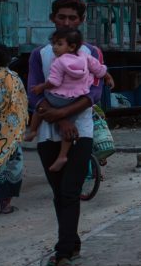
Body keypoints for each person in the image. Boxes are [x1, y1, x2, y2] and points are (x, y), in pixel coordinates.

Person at [27, 0, 105, 266]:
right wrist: (59, 122)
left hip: (81, 131)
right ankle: (71, 244)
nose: (67, 23)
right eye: (62, 18)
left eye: (73, 18)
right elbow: (33, 93)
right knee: (60, 193)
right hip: (49, 133)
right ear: (53, 19)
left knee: (71, 190)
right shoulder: (41, 55)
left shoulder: (91, 53)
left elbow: (94, 94)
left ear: (81, 21)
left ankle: (62, 255)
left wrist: (65, 116)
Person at [25, 29, 114, 171]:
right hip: (76, 99)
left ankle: (33, 130)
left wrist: (40, 87)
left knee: (40, 106)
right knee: (68, 130)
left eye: (59, 44)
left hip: (58, 98)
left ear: (71, 47)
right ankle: (62, 156)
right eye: (54, 43)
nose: (54, 47)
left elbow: (53, 82)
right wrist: (108, 77)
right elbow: (99, 69)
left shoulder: (59, 62)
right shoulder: (85, 57)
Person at [0, 44, 28, 215]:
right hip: (8, 133)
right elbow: (20, 103)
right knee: (11, 166)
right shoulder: (12, 77)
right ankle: (5, 206)